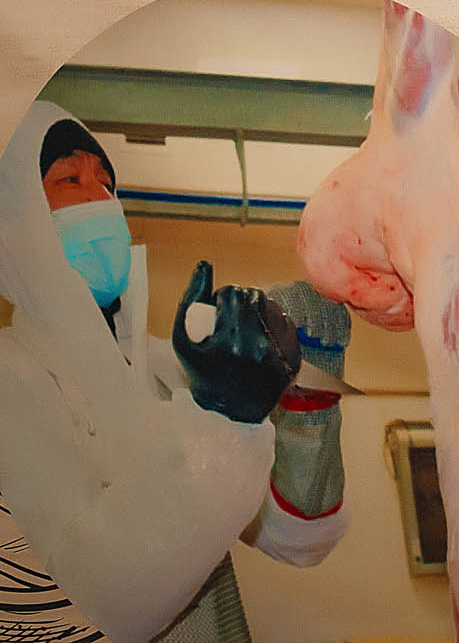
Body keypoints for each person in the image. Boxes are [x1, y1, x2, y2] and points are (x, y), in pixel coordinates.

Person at [0, 103, 307, 643]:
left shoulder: (166, 363)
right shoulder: (10, 379)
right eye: (70, 179)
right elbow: (86, 605)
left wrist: (302, 396)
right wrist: (225, 424)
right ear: (16, 216)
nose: (101, 199)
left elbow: (296, 538)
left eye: (108, 183)